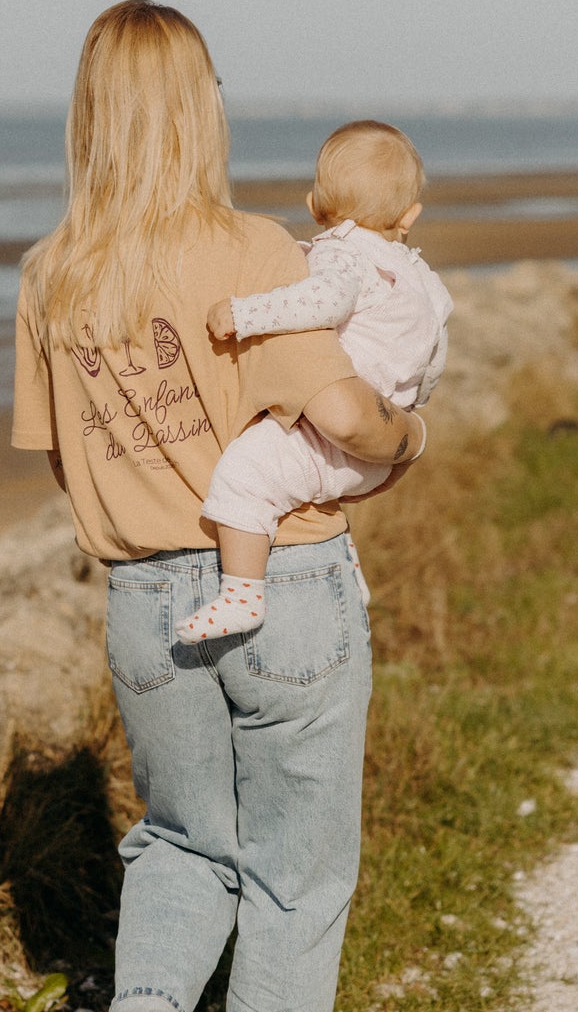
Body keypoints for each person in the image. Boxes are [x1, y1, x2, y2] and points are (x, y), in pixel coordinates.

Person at [11, 2, 423, 1012]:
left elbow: (57, 460)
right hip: (282, 584)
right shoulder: (254, 252)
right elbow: (344, 415)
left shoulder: (52, 271)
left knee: (183, 838)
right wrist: (404, 436)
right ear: (201, 110)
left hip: (142, 596)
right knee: (296, 873)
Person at [175, 120, 452, 644]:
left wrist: (243, 312)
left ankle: (242, 593)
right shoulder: (423, 279)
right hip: (378, 442)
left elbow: (323, 301)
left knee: (244, 474)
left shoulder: (343, 253)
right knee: (306, 496)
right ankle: (344, 566)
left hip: (332, 435)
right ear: (410, 214)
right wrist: (408, 418)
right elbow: (435, 355)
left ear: (312, 204)